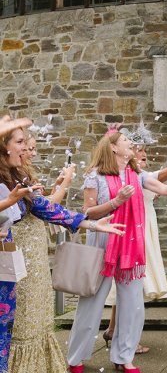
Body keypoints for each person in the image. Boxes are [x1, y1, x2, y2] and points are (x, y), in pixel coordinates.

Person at [66, 129, 167, 373]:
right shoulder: (96, 176)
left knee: (133, 305)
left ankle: (123, 356)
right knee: (91, 303)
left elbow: (164, 189)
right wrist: (115, 203)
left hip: (131, 247)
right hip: (103, 242)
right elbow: (87, 212)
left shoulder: (137, 174)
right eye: (126, 140)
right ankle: (76, 358)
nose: (131, 143)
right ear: (113, 147)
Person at [0, 126, 125, 372]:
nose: (26, 148)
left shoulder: (15, 178)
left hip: (10, 262)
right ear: (4, 145)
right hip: (13, 256)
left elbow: (47, 208)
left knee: (8, 325)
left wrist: (91, 224)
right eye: (21, 142)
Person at [103, 123, 167, 354]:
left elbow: (155, 180)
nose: (142, 154)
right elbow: (158, 180)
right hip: (139, 233)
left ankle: (114, 330)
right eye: (139, 150)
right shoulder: (130, 174)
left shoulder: (138, 173)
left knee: (129, 286)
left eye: (143, 151)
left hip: (145, 228)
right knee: (133, 285)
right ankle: (126, 339)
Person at [8, 134, 76, 373]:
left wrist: (59, 186)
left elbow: (43, 204)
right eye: (27, 147)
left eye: (33, 148)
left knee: (38, 313)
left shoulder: (20, 172)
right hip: (22, 248)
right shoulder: (9, 177)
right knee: (25, 315)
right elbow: (39, 209)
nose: (32, 152)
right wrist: (65, 184)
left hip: (35, 248)